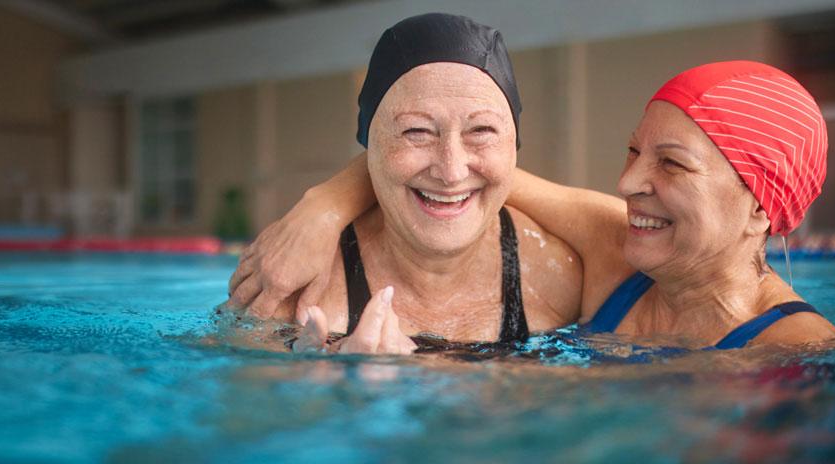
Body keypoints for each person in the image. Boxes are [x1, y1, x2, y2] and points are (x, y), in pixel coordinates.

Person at [231, 60, 835, 350]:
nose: (628, 183)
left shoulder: (797, 352)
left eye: (671, 163)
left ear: (762, 207)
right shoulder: (616, 250)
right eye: (634, 151)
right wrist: (322, 206)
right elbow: (474, 174)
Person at [229, 13, 584, 354]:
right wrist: (328, 388)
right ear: (370, 148)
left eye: (481, 131)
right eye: (416, 131)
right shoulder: (297, 287)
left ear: (513, 145)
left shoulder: (561, 280)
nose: (451, 171)